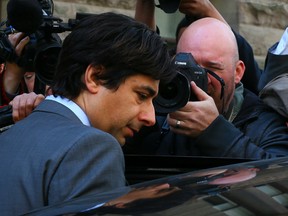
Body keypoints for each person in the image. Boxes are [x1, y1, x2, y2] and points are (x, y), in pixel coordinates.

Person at [0, 12, 174, 215]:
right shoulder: (93, 148)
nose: (151, 117)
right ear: (94, 77)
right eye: (141, 95)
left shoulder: (10, 136)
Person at [124, 17, 288, 159]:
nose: (200, 78)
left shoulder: (263, 122)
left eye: (212, 67)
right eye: (189, 66)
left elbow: (277, 177)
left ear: (238, 72)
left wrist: (214, 131)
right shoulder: (155, 112)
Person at [135, 0, 262, 95]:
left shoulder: (254, 117)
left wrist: (209, 11)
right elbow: (144, 54)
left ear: (238, 72)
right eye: (190, 58)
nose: (200, 74)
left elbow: (251, 74)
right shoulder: (167, 81)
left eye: (211, 66)